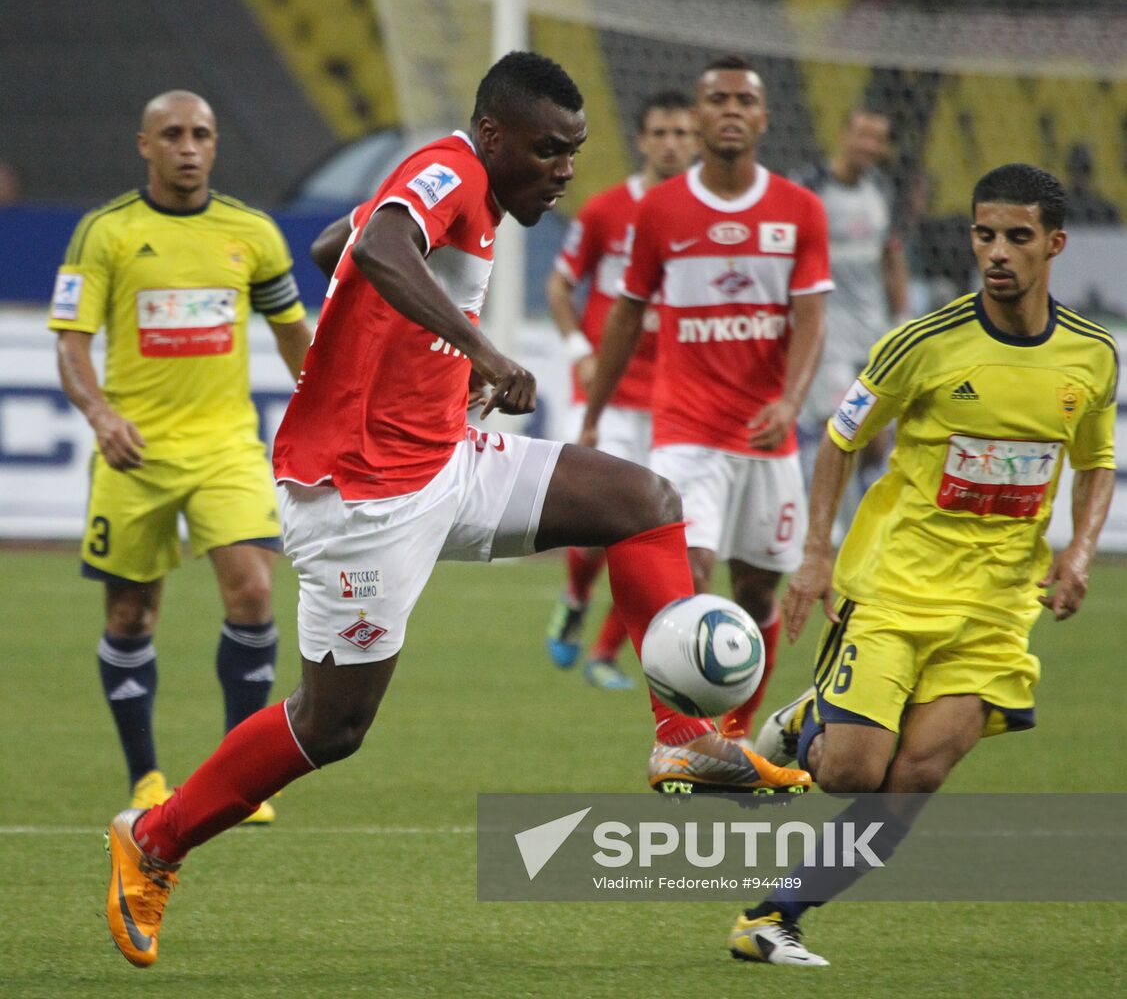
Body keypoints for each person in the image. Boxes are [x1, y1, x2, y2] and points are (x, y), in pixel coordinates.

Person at [103, 52, 811, 970]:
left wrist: (422, 354)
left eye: (574, 152)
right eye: (548, 151)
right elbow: (378, 245)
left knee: (642, 501)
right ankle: (151, 841)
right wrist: (478, 350)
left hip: (446, 458)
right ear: (492, 136)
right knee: (332, 726)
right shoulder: (453, 169)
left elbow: (341, 246)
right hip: (363, 495)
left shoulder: (462, 185)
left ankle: (683, 741)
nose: (563, 170)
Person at [731, 163, 1117, 965]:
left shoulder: (1089, 357)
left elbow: (1095, 460)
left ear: (1054, 244)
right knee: (850, 773)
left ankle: (771, 920)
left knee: (914, 781)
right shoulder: (922, 344)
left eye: (1016, 237)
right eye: (984, 235)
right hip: (898, 590)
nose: (997, 253)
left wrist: (1078, 550)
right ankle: (808, 723)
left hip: (996, 610)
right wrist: (813, 556)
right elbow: (840, 438)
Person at [50, 91, 313, 824]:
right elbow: (71, 342)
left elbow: (294, 333)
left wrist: (328, 404)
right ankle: (146, 777)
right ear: (145, 145)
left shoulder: (252, 233)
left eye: (201, 134)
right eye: (172, 134)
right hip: (135, 453)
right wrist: (100, 414)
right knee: (131, 615)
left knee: (254, 594)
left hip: (225, 446)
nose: (188, 146)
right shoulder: (104, 233)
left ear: (216, 144)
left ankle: (238, 773)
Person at [581, 53, 833, 761]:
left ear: (761, 117)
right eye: (715, 98)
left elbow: (810, 316)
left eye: (742, 99)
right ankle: (679, 737)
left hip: (764, 437)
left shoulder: (799, 210)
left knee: (756, 595)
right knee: (685, 576)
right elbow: (626, 316)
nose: (728, 108)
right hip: (685, 431)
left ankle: (733, 735)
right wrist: (595, 411)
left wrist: (790, 400)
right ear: (695, 118)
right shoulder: (658, 211)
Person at [545, 88, 697, 690]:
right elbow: (560, 288)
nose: (671, 143)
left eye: (682, 133)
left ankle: (605, 654)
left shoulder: (705, 217)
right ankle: (576, 596)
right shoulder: (606, 211)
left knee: (650, 530)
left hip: (676, 398)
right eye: (661, 132)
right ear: (642, 139)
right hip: (606, 393)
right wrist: (581, 351)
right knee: (596, 525)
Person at [791, 108, 909, 532]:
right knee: (843, 428)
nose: (869, 147)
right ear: (844, 135)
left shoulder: (881, 189)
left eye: (878, 139)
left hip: (873, 332)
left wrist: (901, 319)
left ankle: (845, 514)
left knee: (876, 443)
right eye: (863, 135)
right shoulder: (809, 185)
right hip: (828, 332)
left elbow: (892, 256)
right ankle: (833, 533)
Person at [1063, 141, 1121, 226]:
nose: (1080, 175)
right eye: (1074, 170)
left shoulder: (1107, 211)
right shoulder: (1058, 211)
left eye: (1085, 170)